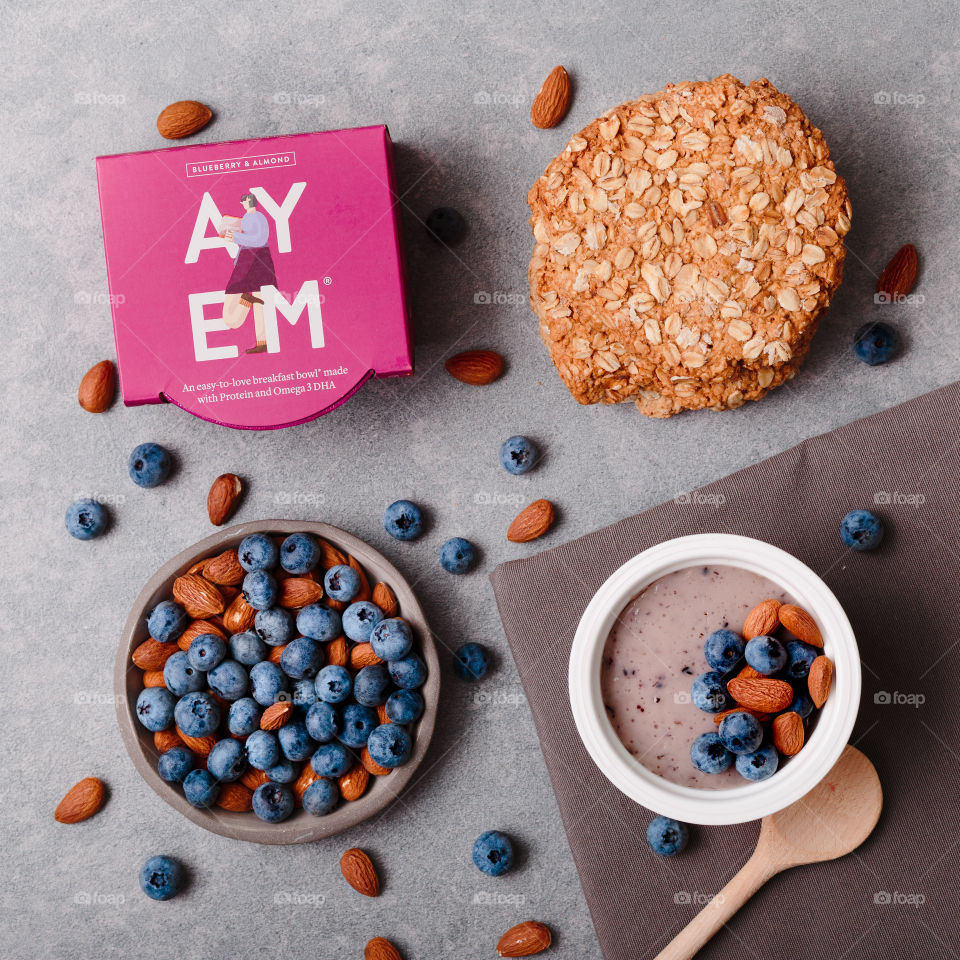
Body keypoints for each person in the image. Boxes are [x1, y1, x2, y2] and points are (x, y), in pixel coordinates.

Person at [218, 193, 278, 354]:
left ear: (249, 201)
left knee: (259, 302)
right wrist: (235, 237)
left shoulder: (259, 217)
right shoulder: (246, 218)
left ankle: (262, 342)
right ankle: (247, 301)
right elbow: (250, 239)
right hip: (249, 258)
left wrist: (236, 237)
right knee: (238, 314)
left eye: (243, 200)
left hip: (256, 259)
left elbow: (260, 239)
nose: (241, 203)